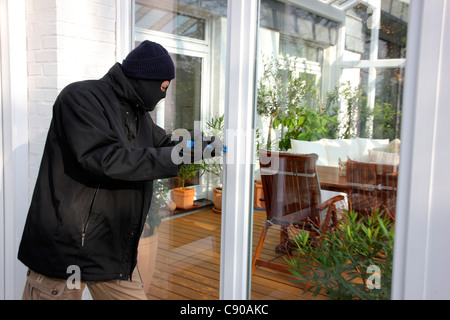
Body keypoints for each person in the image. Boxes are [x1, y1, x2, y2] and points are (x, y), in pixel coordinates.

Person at [18, 41, 217, 300]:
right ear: (145, 79)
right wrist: (177, 155)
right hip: (64, 252)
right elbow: (106, 160)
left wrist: (200, 143)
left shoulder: (139, 116)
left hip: (109, 253)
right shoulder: (80, 98)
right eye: (164, 87)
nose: (164, 95)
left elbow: (165, 142)